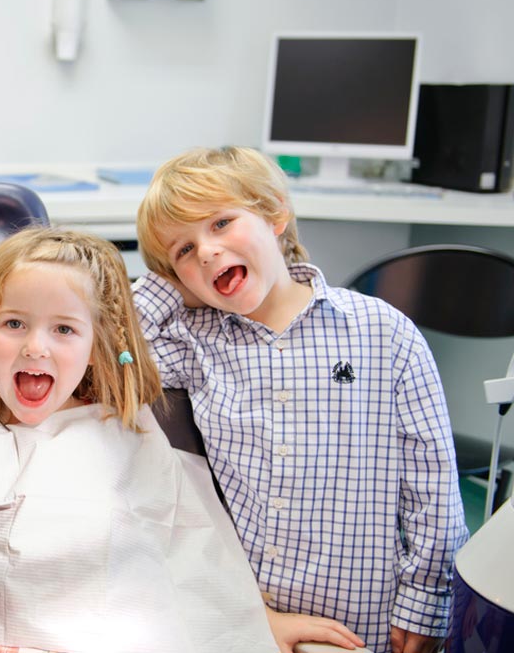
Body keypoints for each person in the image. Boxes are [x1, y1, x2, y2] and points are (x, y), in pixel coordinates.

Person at [0, 227, 364, 653]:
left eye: (64, 329)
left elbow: (192, 560)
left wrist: (257, 622)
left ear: (98, 347)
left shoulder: (127, 435)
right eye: (13, 323)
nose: (36, 347)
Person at [132, 146, 469, 653]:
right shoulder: (194, 342)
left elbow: (433, 485)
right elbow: (110, 348)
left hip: (365, 626)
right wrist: (171, 285)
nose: (205, 251)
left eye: (221, 223)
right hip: (241, 616)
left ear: (275, 215)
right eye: (184, 250)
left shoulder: (383, 332)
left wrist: (425, 601)